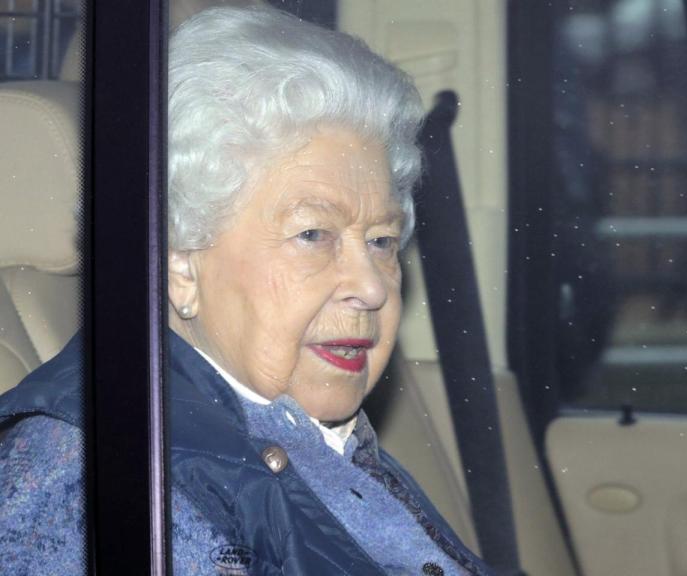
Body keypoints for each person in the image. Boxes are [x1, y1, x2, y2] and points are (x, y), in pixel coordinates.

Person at [0, 7, 493, 575]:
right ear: (179, 263)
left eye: (382, 240)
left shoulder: (314, 438)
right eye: (313, 234)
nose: (370, 286)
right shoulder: (97, 482)